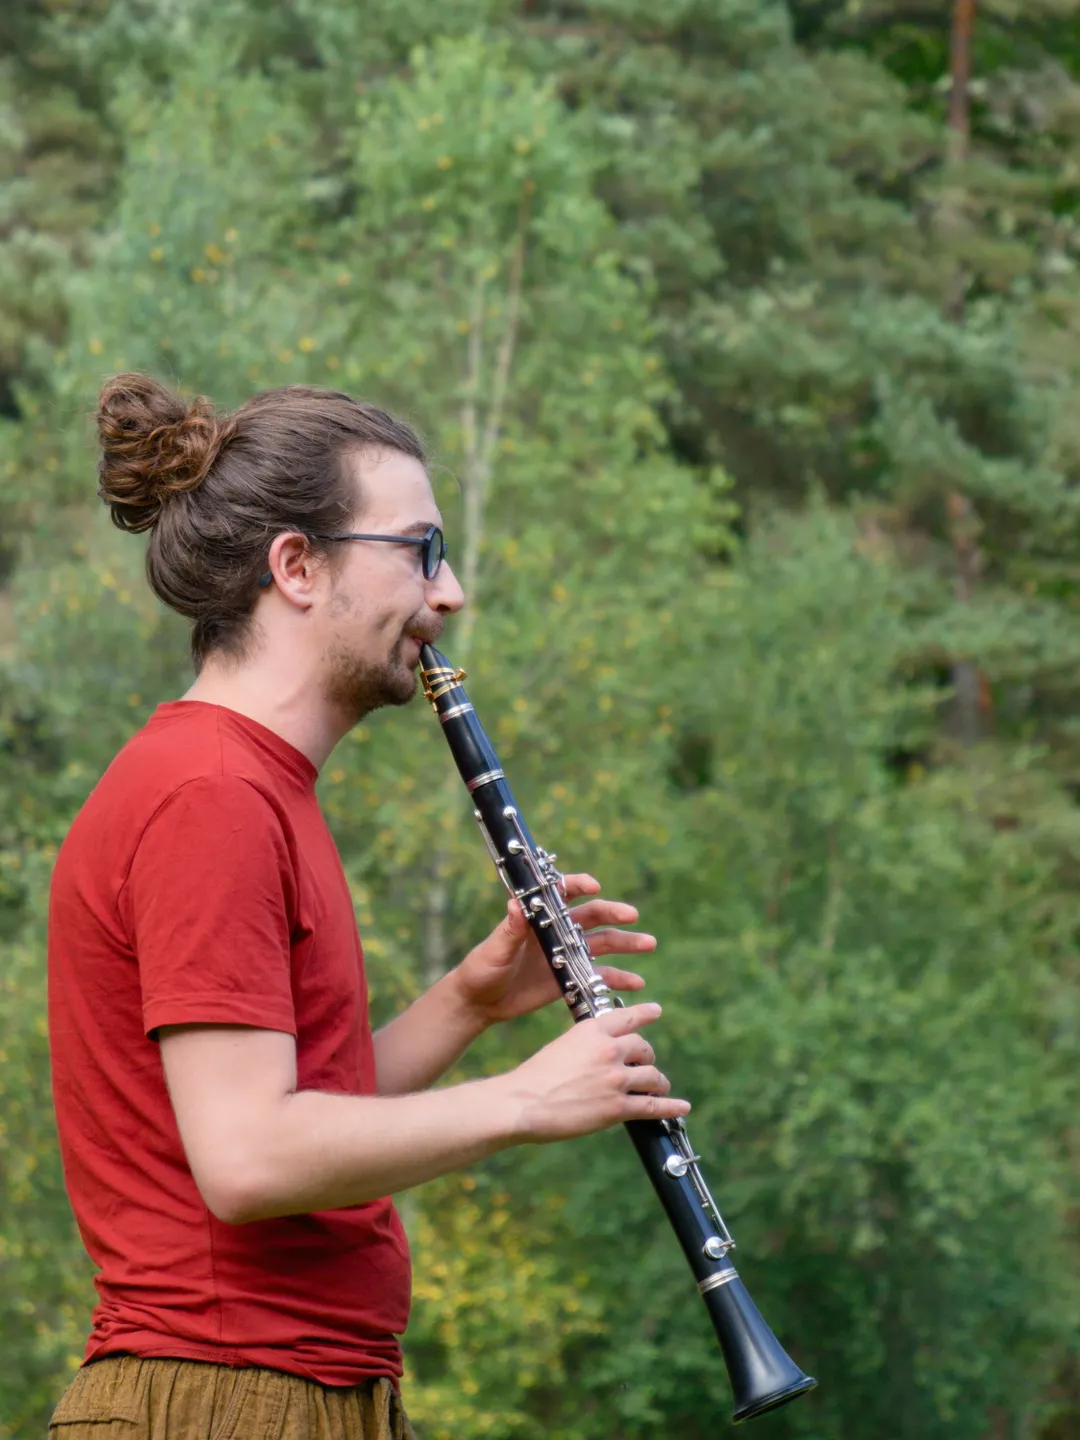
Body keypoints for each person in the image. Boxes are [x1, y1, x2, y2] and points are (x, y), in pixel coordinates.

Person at [46, 374, 691, 1439]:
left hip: (281, 1392)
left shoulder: (251, 787)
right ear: (297, 567)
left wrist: (467, 1004)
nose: (451, 593)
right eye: (422, 550)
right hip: (219, 1395)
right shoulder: (211, 795)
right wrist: (524, 1100)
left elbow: (302, 1107)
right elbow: (249, 1156)